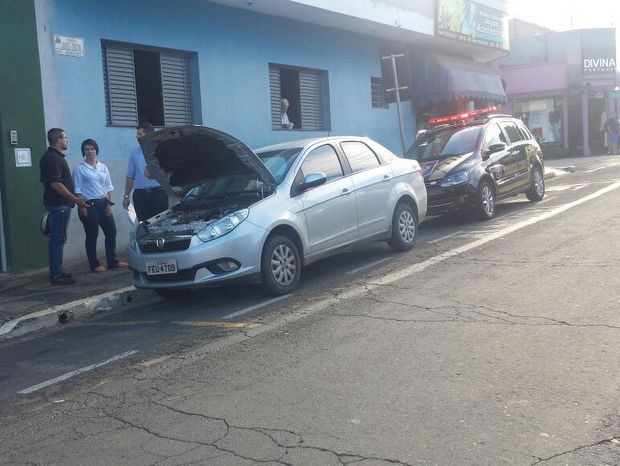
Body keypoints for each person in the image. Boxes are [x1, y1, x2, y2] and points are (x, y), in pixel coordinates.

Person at [39, 128, 89, 285]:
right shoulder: (53, 158)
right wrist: (76, 200)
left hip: (57, 204)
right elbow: (55, 184)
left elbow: (44, 183)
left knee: (58, 239)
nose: (67, 140)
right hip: (59, 205)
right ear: (57, 140)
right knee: (57, 239)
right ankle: (56, 275)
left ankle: (58, 271)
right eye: (65, 138)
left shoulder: (52, 157)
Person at [72, 139, 128, 273]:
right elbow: (77, 189)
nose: (90, 151)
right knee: (92, 234)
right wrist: (82, 207)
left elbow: (109, 187)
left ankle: (112, 260)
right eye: (87, 149)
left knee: (111, 231)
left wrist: (110, 204)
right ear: (83, 152)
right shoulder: (79, 169)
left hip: (103, 203)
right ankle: (94, 264)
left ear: (96, 150)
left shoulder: (103, 167)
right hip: (88, 204)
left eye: (92, 149)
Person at [122, 122, 168, 222]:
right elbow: (130, 176)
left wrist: (154, 175)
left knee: (159, 225)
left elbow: (168, 174)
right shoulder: (134, 154)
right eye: (137, 134)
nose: (136, 136)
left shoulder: (161, 151)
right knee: (143, 226)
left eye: (140, 134)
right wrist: (126, 196)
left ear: (149, 135)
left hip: (159, 195)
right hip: (140, 196)